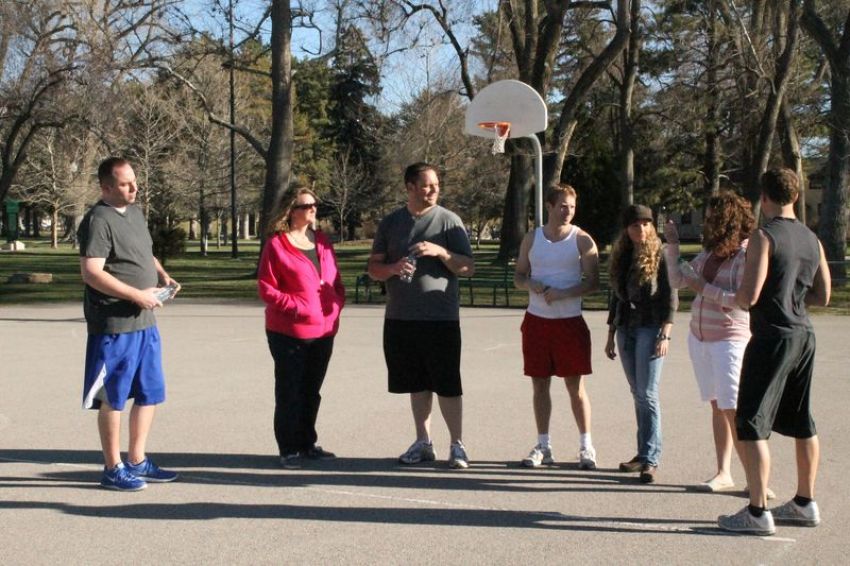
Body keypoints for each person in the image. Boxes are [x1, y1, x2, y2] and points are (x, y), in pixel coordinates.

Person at [718, 168, 830, 536]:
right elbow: (823, 296)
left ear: (764, 197)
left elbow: (749, 295)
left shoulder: (764, 236)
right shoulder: (812, 239)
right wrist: (793, 301)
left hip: (772, 337)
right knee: (802, 420)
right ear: (795, 197)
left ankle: (757, 510)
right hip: (803, 335)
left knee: (751, 422)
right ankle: (805, 502)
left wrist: (731, 298)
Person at [78, 157, 180, 491]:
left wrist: (162, 275)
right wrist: (136, 295)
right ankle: (113, 468)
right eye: (125, 183)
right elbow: (92, 272)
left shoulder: (134, 213)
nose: (134, 187)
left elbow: (144, 252)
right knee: (114, 397)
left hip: (145, 322)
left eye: (134, 181)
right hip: (114, 325)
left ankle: (137, 460)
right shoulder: (98, 220)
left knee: (149, 392)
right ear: (106, 187)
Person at [368, 162, 475, 469]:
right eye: (427, 185)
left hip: (440, 318)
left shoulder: (449, 221)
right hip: (401, 317)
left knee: (448, 384)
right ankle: (423, 442)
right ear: (410, 187)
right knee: (417, 384)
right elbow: (373, 268)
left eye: (436, 185)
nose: (433, 190)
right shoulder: (391, 223)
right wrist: (392, 268)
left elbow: (468, 268)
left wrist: (441, 253)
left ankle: (457, 444)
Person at [665, 192, 767, 493]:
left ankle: (755, 481)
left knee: (733, 408)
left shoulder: (746, 254)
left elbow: (744, 301)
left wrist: (704, 288)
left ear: (727, 220)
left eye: (711, 218)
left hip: (730, 339)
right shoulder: (709, 253)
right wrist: (673, 245)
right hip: (700, 339)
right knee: (717, 406)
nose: (706, 223)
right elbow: (677, 281)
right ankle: (724, 472)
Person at [257, 188, 345, 469]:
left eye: (315, 204)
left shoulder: (323, 242)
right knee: (289, 391)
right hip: (288, 332)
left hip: (324, 330)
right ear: (291, 211)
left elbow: (335, 280)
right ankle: (289, 448)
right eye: (306, 205)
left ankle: (307, 443)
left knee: (312, 390)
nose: (313, 209)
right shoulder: (277, 245)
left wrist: (337, 303)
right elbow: (266, 288)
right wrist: (297, 306)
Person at [514, 183, 600, 469]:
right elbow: (518, 276)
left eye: (572, 207)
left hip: (569, 324)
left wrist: (564, 293)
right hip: (536, 323)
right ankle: (543, 445)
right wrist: (531, 283)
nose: (568, 211)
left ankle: (586, 446)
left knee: (575, 388)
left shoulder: (582, 240)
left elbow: (593, 283)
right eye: (563, 206)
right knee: (540, 385)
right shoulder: (532, 238)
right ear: (549, 206)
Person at [605, 204, 677, 484]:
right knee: (637, 393)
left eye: (646, 224)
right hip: (626, 328)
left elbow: (670, 295)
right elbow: (616, 297)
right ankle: (642, 452)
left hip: (651, 327)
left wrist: (665, 332)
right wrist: (611, 333)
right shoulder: (622, 256)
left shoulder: (661, 254)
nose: (642, 229)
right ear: (627, 229)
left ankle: (651, 459)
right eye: (636, 225)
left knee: (648, 393)